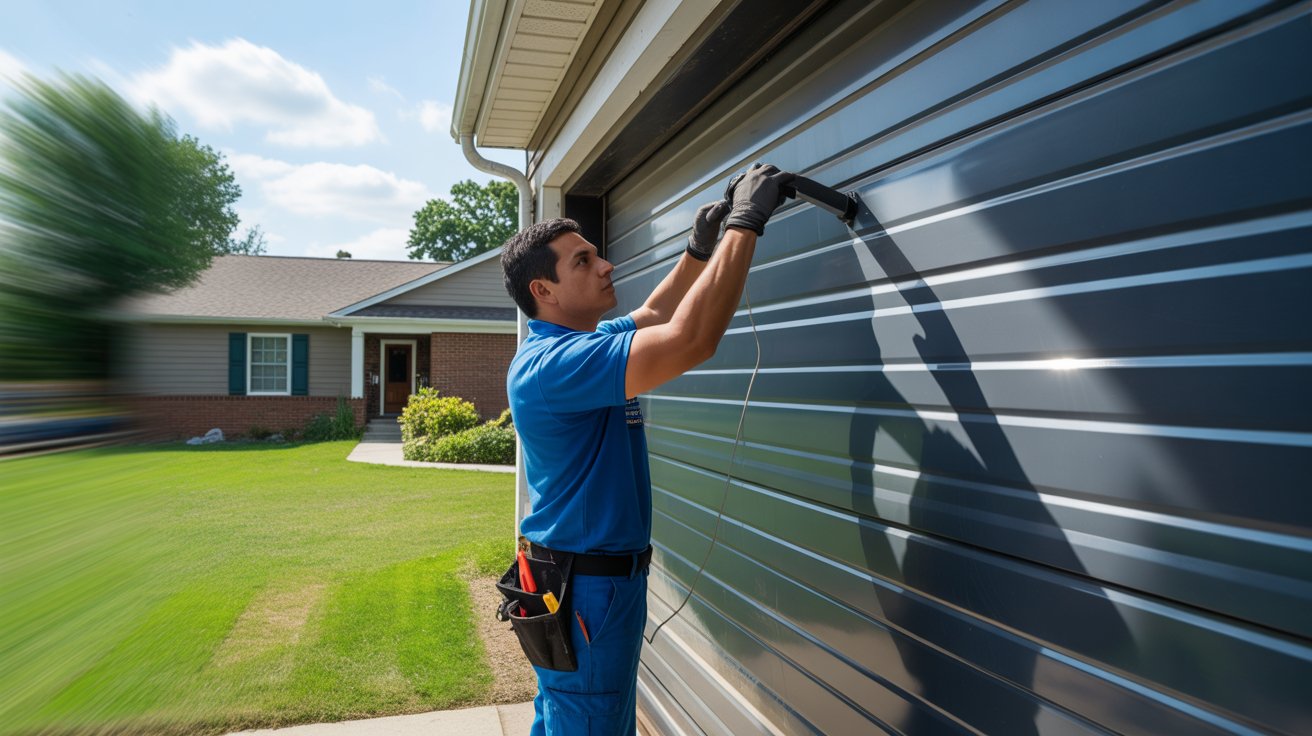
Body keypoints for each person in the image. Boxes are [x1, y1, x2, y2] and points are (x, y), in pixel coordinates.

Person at [500, 163, 795, 735]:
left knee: (568, 714)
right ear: (543, 291)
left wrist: (699, 248)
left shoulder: (581, 343)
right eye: (582, 261)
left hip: (587, 580)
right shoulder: (554, 366)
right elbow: (691, 339)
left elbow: (657, 315)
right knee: (589, 721)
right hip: (585, 588)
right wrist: (747, 222)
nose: (606, 265)